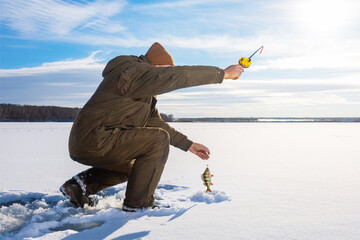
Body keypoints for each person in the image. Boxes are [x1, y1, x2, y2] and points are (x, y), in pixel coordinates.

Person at [60, 42, 244, 212]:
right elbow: (178, 76)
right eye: (164, 71)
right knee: (158, 139)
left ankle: (78, 187)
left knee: (136, 169)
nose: (163, 79)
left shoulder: (141, 92)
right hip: (96, 139)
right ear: (155, 67)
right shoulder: (133, 72)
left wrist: (189, 144)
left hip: (89, 142)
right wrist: (223, 74)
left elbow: (156, 123)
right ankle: (138, 205)